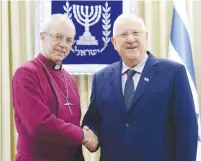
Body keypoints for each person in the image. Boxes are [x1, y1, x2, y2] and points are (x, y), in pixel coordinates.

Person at [82, 13, 198, 161]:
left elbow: (187, 129)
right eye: (123, 34)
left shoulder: (173, 73)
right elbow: (93, 120)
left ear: (146, 36)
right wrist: (90, 133)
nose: (131, 39)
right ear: (114, 42)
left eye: (136, 33)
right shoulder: (101, 78)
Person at [12, 14, 98, 161]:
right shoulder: (26, 74)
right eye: (57, 37)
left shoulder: (69, 79)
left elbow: (73, 125)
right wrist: (83, 135)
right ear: (42, 37)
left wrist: (91, 139)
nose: (63, 44)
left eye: (69, 40)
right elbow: (39, 125)